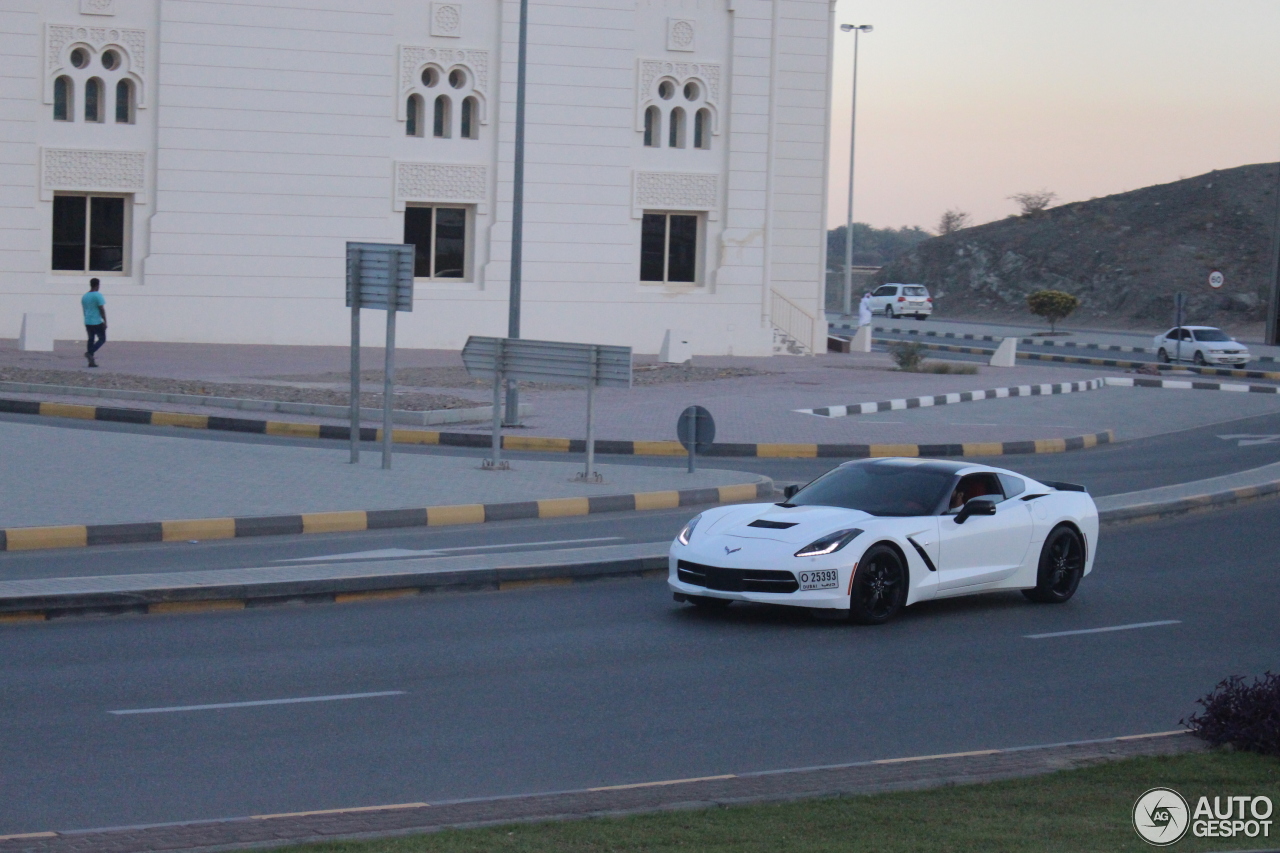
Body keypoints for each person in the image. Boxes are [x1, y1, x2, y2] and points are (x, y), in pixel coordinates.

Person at [82, 278, 106, 368]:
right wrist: (105, 321)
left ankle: (91, 361)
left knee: (91, 339)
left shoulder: (85, 296)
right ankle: (90, 353)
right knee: (102, 339)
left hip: (88, 321)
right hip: (96, 321)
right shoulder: (98, 295)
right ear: (97, 285)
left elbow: (84, 310)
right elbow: (101, 309)